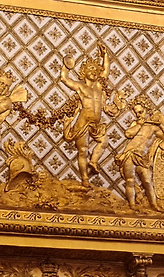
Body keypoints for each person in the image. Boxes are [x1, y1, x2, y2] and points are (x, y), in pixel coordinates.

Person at [59, 46, 112, 184]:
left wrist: (105, 55)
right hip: (83, 122)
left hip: (96, 124)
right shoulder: (81, 87)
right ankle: (85, 179)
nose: (94, 71)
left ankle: (93, 161)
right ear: (84, 72)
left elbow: (106, 71)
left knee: (104, 142)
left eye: (95, 69)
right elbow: (64, 79)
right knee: (83, 150)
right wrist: (67, 66)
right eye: (90, 69)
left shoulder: (99, 86)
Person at [116, 96, 164, 211]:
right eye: (136, 113)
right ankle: (132, 205)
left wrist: (161, 124)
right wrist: (139, 124)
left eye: (141, 112)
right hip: (130, 154)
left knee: (147, 181)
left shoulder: (153, 127)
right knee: (130, 180)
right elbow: (128, 134)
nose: (138, 115)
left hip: (142, 157)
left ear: (147, 109)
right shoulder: (136, 124)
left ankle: (154, 204)